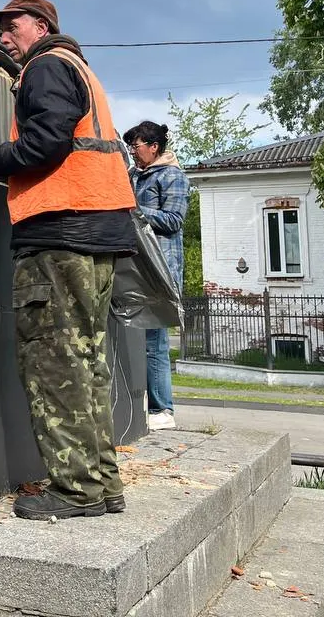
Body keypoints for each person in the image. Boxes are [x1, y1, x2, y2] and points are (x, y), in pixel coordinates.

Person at [0, 0, 137, 521]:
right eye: (1, 29)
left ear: (42, 25)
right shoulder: (80, 69)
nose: (5, 37)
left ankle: (75, 490)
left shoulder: (46, 67)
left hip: (60, 231)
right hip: (96, 230)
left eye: (12, 26)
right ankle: (101, 484)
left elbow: (45, 143)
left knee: (54, 363)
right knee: (87, 362)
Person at [123, 121, 189, 431]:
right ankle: (140, 405)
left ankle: (163, 409)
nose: (133, 152)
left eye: (136, 147)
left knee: (154, 342)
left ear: (154, 147)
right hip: (135, 265)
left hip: (160, 268)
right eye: (131, 148)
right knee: (132, 337)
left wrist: (134, 209)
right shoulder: (133, 176)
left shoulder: (172, 176)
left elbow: (174, 220)